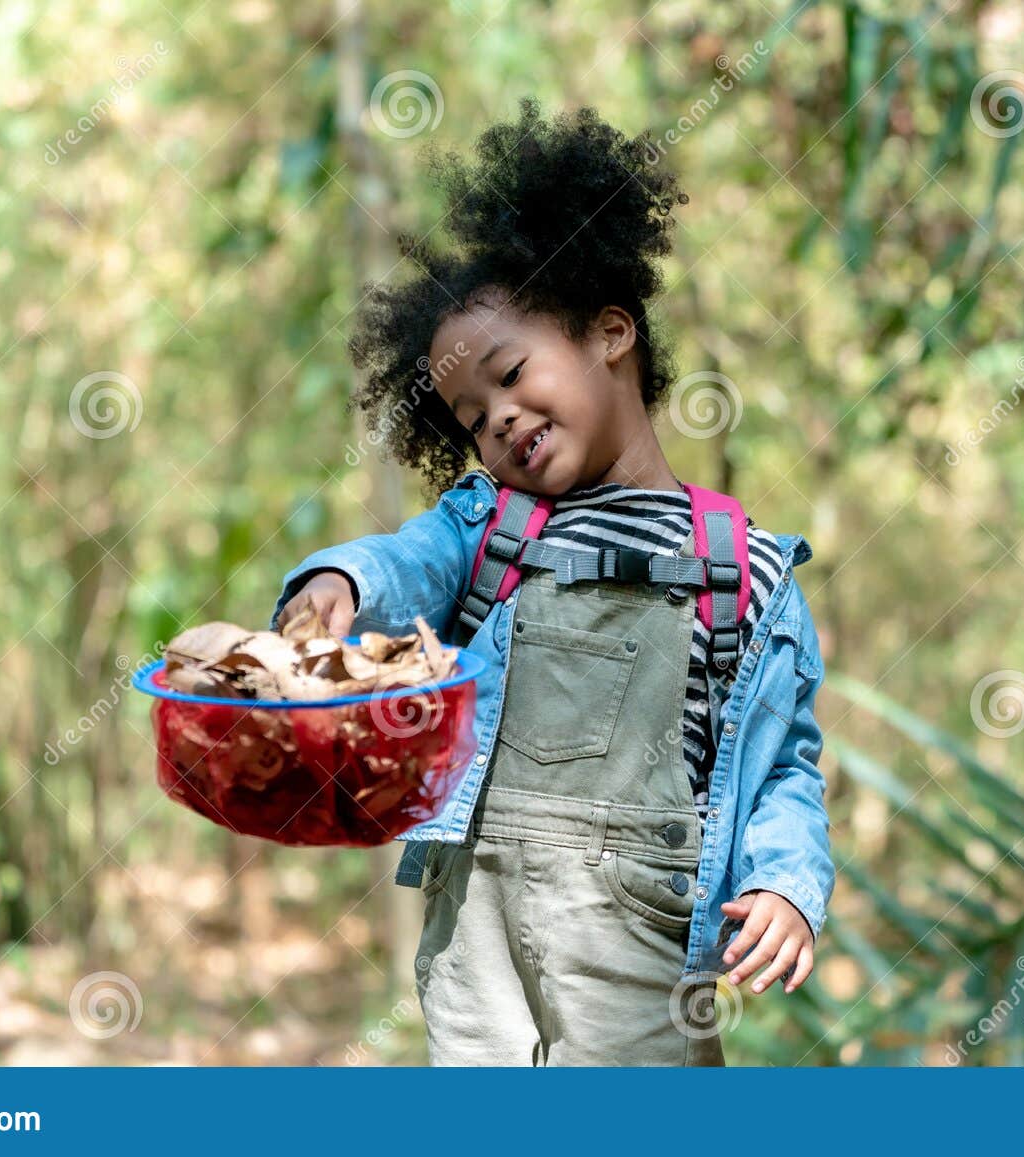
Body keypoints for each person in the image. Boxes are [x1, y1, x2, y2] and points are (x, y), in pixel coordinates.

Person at [272, 99, 833, 1066]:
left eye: (511, 373)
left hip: (642, 949)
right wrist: (338, 584)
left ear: (610, 331)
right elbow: (406, 563)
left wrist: (786, 884)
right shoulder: (487, 522)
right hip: (477, 935)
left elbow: (784, 765)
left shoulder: (748, 570)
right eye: (468, 413)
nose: (494, 420)